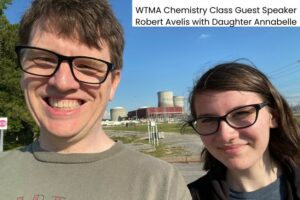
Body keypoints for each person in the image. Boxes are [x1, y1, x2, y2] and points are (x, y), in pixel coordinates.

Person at [0, 0, 192, 199]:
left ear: (113, 83)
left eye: (87, 66)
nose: (63, 82)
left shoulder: (161, 186)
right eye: (44, 60)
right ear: (22, 71)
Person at [187, 62, 300, 200]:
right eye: (208, 120)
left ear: (273, 116)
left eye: (241, 114)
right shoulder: (186, 196)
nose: (225, 135)